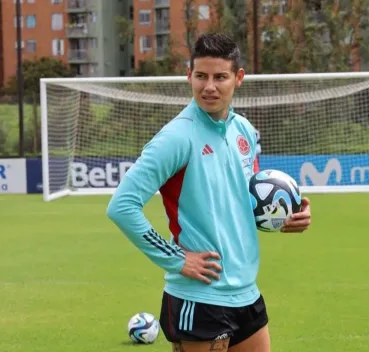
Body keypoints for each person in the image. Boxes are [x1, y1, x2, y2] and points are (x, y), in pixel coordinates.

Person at [107, 33, 312, 352]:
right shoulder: (176, 138)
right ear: (189, 75)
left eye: (220, 77)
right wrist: (175, 259)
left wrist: (286, 215)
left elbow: (247, 200)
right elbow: (122, 206)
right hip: (198, 297)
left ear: (238, 78)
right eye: (201, 76)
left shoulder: (244, 130)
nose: (209, 86)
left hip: (247, 291)